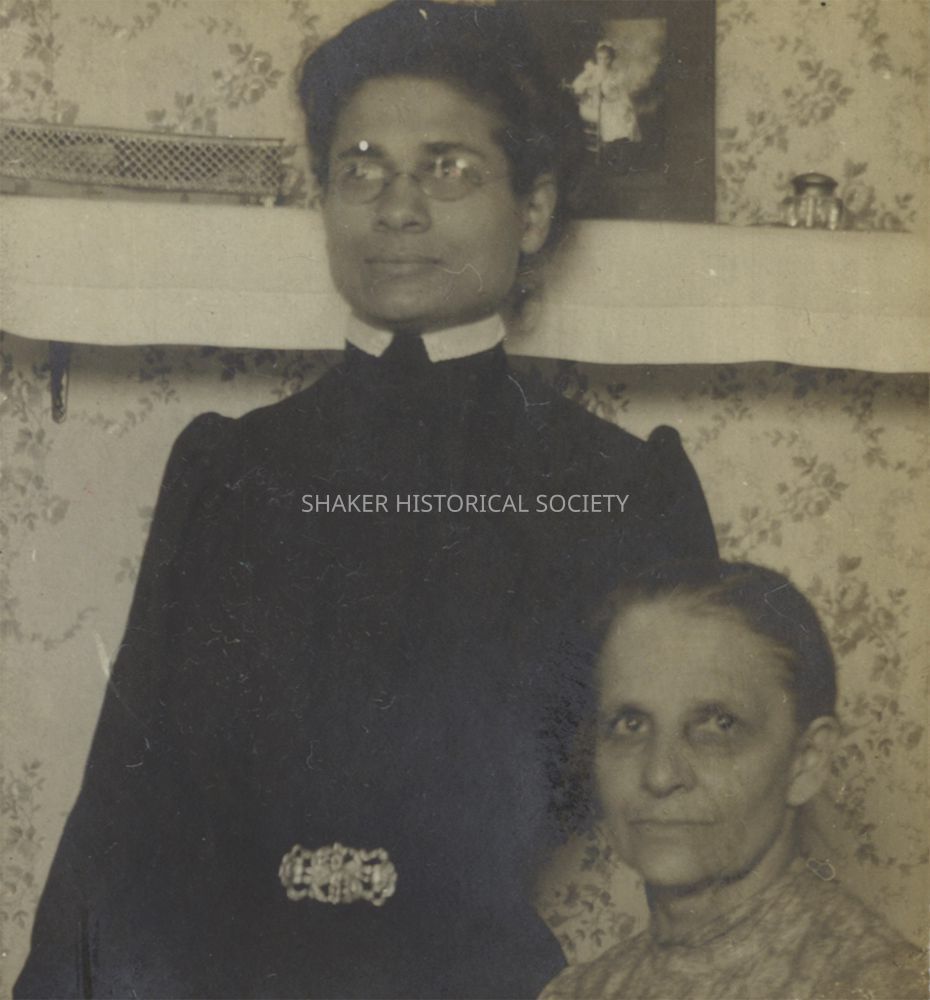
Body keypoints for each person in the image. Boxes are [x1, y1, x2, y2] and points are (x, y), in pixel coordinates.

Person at [15, 3, 717, 998]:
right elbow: (120, 810)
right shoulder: (228, 468)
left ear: (532, 211)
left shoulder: (621, 488)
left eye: (448, 169)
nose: (397, 208)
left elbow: (706, 817)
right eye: (361, 168)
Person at [541, 561, 927, 1000]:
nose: (660, 775)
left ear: (806, 760)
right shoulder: (576, 992)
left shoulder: (880, 986)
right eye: (630, 724)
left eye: (718, 725)